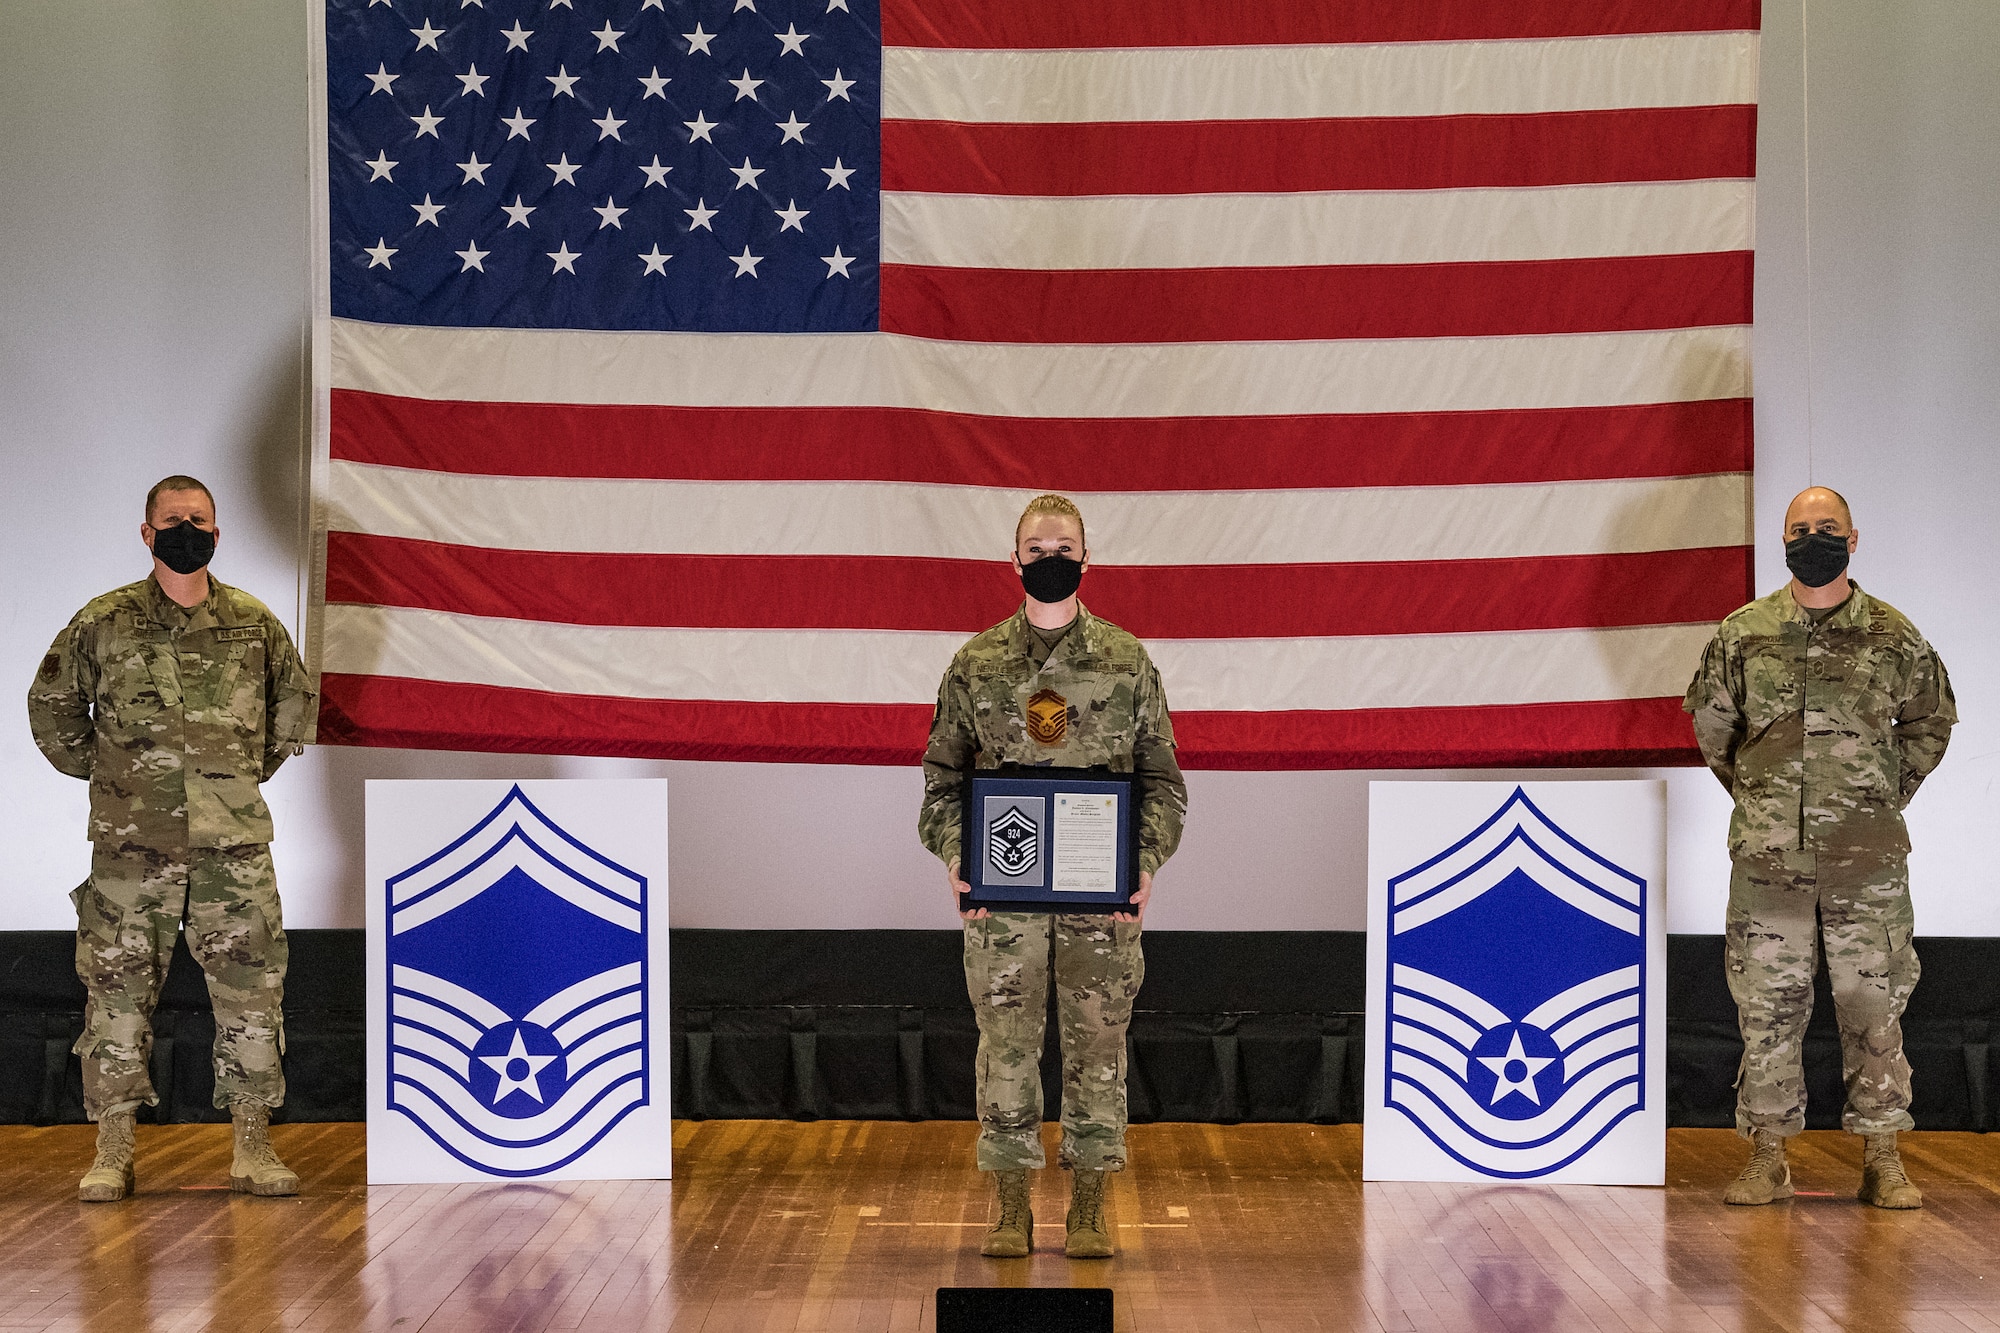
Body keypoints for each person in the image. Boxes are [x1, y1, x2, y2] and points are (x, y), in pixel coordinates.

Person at [27, 475, 316, 1201]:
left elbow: (288, 717)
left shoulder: (254, 623)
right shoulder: (104, 621)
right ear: (148, 532)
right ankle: (112, 1150)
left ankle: (252, 1145)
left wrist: (229, 781)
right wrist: (119, 780)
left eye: (200, 518)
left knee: (253, 995)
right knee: (117, 994)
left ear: (217, 533)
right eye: (173, 518)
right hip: (132, 853)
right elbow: (52, 708)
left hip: (233, 850)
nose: (188, 528)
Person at [918, 493, 1187, 1259]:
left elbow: (1163, 784)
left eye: (1062, 546)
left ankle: (1091, 1206)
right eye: (1035, 549)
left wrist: (1142, 864)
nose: (1049, 559)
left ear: (1086, 558)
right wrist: (957, 857)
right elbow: (941, 784)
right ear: (1014, 561)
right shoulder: (974, 664)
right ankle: (1009, 1207)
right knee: (1005, 1047)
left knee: (1098, 1047)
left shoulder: (1127, 662)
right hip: (1002, 907)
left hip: (1099, 907)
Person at [1684, 486, 1955, 1208]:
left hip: (1866, 863)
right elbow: (1715, 730)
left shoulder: (1895, 636)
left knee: (1873, 1001)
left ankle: (1884, 1156)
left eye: (1827, 527)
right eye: (1800, 528)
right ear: (1783, 540)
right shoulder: (1743, 634)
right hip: (1771, 865)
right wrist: (1764, 799)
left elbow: (1930, 723)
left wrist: (1874, 795)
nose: (1814, 537)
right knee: (1769, 1004)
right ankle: (1767, 1156)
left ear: (1854, 539)